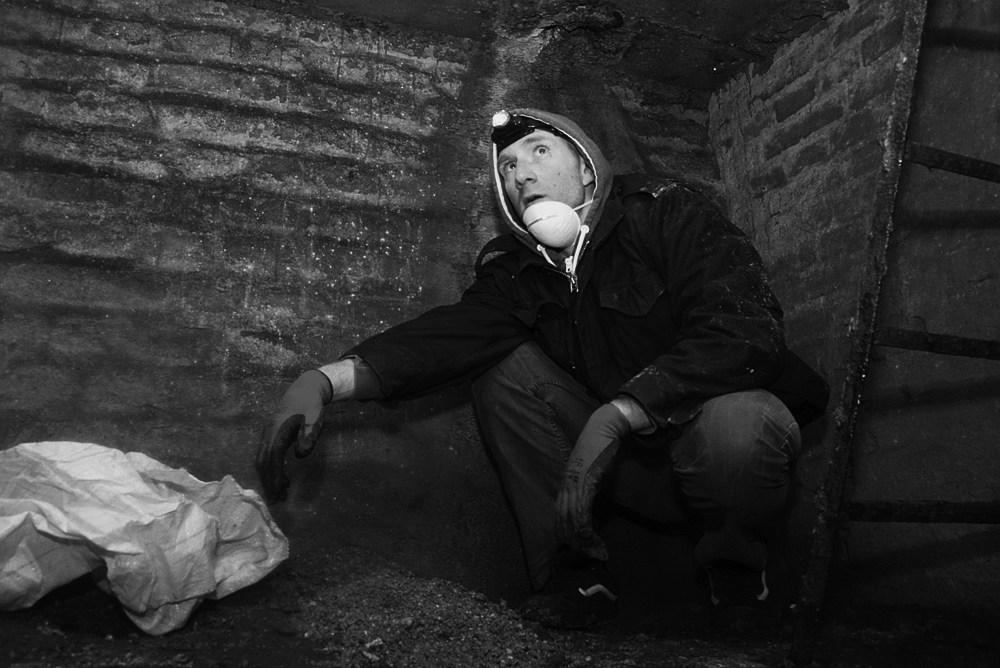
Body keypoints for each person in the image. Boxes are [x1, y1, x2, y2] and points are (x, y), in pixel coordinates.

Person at [255, 108, 829, 631]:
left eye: (538, 151)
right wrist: (325, 381)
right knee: (499, 365)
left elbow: (744, 329)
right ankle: (577, 577)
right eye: (507, 166)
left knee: (744, 420)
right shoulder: (514, 270)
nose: (521, 174)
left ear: (586, 169)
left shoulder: (666, 211)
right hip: (609, 470)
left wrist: (626, 410)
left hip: (708, 459)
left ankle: (735, 577)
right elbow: (448, 339)